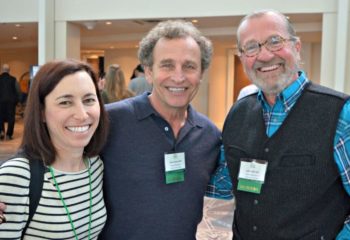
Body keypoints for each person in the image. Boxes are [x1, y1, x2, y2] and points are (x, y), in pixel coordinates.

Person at [222, 9, 350, 239]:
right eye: (251, 47)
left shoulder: (340, 113)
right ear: (242, 58)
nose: (264, 55)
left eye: (274, 41)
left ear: (296, 47)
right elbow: (221, 186)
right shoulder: (237, 114)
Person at [98, 20, 230, 240]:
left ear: (201, 74)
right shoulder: (110, 121)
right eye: (167, 65)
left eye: (189, 66)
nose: (178, 77)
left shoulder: (209, 135)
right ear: (148, 72)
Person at [0, 59, 109, 239]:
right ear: (42, 112)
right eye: (65, 102)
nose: (82, 115)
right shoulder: (16, 177)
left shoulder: (96, 166)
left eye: (89, 100)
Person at [0, 64, 18, 140]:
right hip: (11, 102)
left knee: (0, 117)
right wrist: (17, 101)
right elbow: (18, 91)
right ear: (9, 70)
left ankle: (1, 132)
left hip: (0, 101)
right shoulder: (14, 79)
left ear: (2, 70)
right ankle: (8, 135)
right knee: (11, 118)